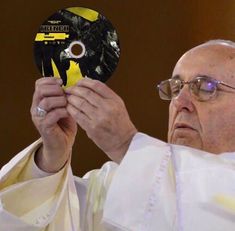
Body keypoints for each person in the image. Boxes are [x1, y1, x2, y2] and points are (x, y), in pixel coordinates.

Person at [1, 39, 235, 231]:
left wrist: (125, 144)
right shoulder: (115, 187)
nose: (181, 102)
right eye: (175, 88)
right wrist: (50, 160)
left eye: (205, 87)